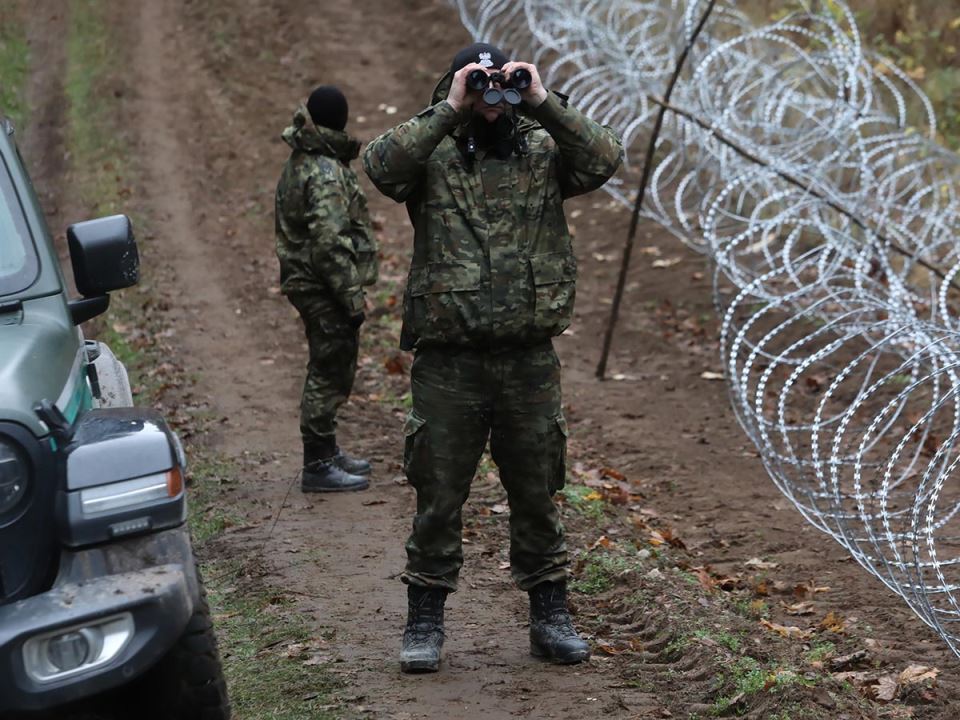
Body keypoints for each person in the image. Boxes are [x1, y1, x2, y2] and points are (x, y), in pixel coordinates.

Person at [363, 42, 623, 672]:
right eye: (478, 84)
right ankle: (425, 619)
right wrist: (451, 106)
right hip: (449, 359)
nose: (490, 98)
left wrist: (541, 99)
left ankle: (550, 614)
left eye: (498, 85)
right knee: (438, 492)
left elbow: (604, 159)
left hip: (527, 357)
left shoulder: (541, 148)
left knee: (537, 490)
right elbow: (381, 167)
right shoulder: (433, 152)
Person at [275, 85, 378, 493]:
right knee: (328, 369)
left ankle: (327, 451)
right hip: (323, 285)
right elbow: (330, 242)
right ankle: (317, 464)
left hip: (313, 281)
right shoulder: (324, 171)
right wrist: (350, 296)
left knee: (330, 364)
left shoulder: (306, 159)